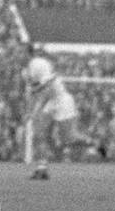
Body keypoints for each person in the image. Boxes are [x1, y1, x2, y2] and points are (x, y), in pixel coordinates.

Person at [22, 50, 90, 180]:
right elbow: (32, 94)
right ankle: (42, 169)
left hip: (61, 100)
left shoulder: (39, 64)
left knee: (69, 138)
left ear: (28, 53)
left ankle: (94, 144)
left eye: (21, 52)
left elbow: (47, 89)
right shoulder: (25, 72)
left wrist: (35, 111)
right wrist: (29, 110)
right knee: (38, 133)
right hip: (50, 102)